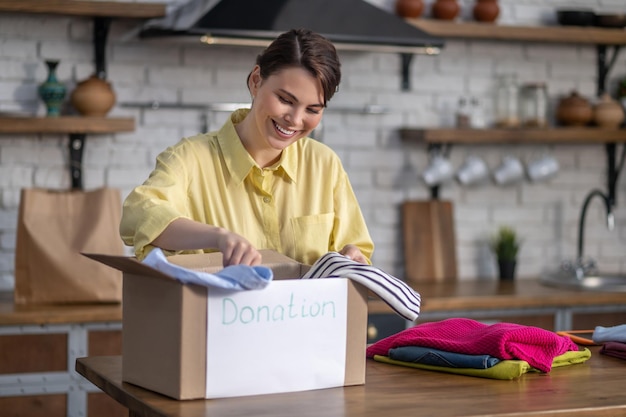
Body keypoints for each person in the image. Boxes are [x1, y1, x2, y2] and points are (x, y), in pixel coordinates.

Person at [120, 28, 374, 267]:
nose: (295, 120)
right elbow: (140, 215)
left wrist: (352, 256)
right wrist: (218, 237)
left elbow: (356, 251)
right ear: (255, 81)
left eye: (312, 110)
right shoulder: (190, 158)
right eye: (285, 100)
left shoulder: (324, 164)